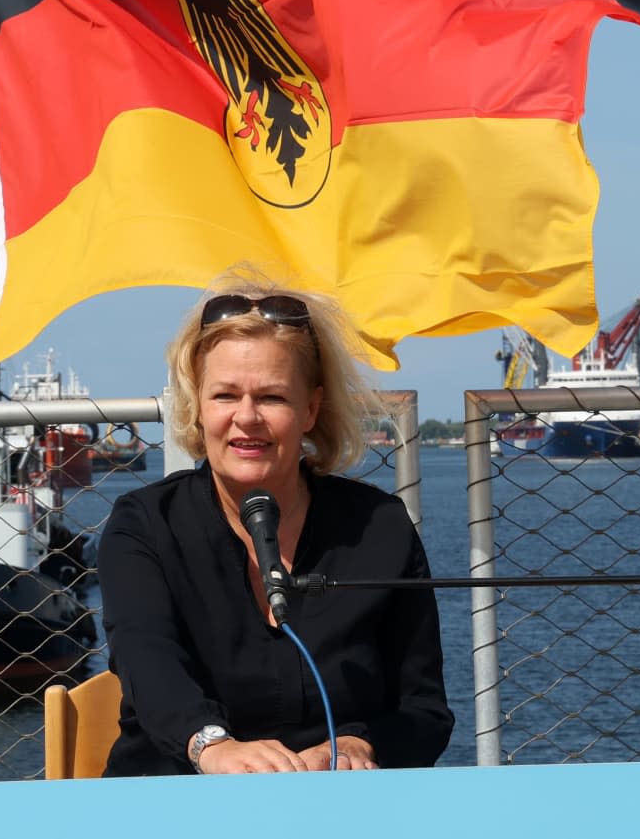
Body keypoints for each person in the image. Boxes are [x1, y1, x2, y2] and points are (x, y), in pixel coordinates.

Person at [98, 268, 454, 777]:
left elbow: (424, 710)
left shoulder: (380, 526)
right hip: (176, 801)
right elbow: (147, 662)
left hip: (335, 810)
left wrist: (361, 745)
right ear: (197, 406)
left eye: (271, 397)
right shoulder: (144, 526)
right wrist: (214, 748)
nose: (247, 417)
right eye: (224, 395)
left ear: (311, 408)